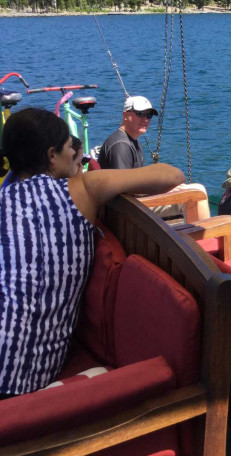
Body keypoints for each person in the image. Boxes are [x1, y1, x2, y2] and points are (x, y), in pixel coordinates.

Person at [0, 107, 184, 397]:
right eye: (68, 150)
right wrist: (77, 171)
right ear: (51, 156)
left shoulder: (5, 196)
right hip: (20, 375)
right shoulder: (80, 189)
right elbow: (172, 175)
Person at [98, 95, 210, 220]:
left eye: (148, 115)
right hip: (129, 210)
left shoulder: (132, 141)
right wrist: (161, 191)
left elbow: (134, 183)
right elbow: (122, 189)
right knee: (196, 195)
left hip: (134, 202)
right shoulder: (121, 145)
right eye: (140, 114)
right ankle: (205, 237)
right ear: (125, 114)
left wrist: (164, 188)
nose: (145, 119)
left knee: (197, 189)